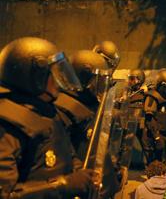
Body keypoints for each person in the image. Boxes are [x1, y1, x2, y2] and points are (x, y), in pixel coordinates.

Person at [0, 37, 95, 198]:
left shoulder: (48, 111)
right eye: (55, 74)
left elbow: (67, 153)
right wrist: (62, 186)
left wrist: (84, 174)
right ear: (37, 77)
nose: (59, 82)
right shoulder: (7, 127)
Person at [54, 49, 120, 198]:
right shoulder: (64, 109)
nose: (103, 85)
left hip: (96, 188)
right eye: (99, 80)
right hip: (79, 188)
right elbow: (66, 158)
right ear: (84, 79)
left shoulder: (90, 105)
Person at [143, 69, 166, 164]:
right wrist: (156, 136)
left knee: (165, 160)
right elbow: (149, 119)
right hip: (153, 135)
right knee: (154, 161)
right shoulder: (152, 97)